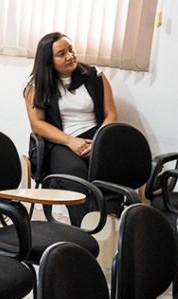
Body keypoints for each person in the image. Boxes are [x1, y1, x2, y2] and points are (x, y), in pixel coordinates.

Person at [25, 32, 118, 225]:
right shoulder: (37, 86)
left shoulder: (94, 75)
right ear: (48, 60)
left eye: (71, 50)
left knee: (111, 168)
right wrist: (71, 142)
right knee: (74, 175)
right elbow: (37, 124)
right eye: (61, 54)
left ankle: (108, 226)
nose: (70, 56)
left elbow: (111, 115)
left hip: (96, 136)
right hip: (61, 141)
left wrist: (100, 141)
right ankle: (84, 229)